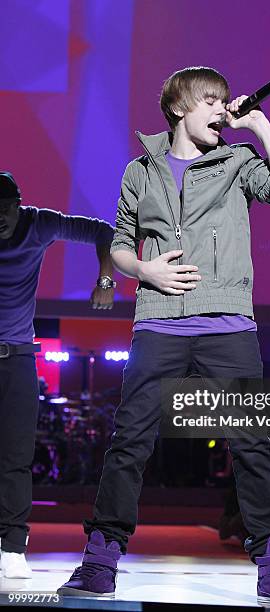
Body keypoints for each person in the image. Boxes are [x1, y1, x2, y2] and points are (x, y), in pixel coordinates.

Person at [58, 66, 270, 607]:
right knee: (129, 443)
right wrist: (145, 272)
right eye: (210, 101)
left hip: (227, 322)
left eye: (226, 102)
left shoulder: (237, 162)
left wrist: (262, 128)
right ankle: (100, 561)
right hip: (157, 321)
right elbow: (122, 243)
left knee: (252, 446)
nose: (222, 110)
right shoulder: (141, 170)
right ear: (178, 107)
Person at [0, 171, 115, 578]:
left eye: (6, 208)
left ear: (19, 204)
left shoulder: (40, 223)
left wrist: (105, 278)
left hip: (17, 359)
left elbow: (104, 230)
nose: (1, 217)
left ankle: (12, 547)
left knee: (15, 456)